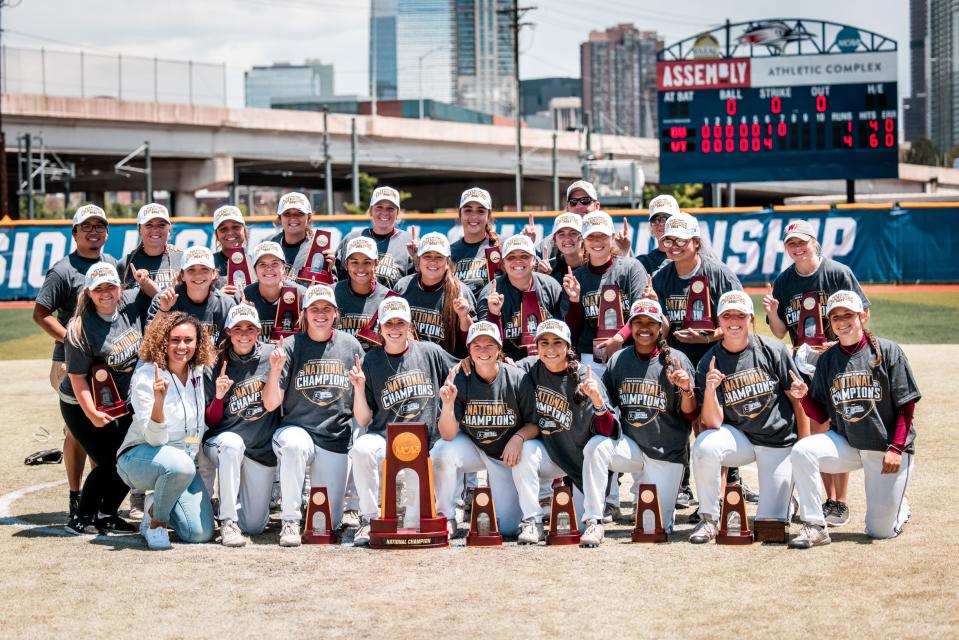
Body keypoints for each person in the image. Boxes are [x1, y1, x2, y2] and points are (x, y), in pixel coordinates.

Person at [787, 291, 920, 549]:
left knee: (879, 531)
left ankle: (898, 507)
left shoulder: (888, 351)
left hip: (885, 447)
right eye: (835, 317)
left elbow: (906, 406)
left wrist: (896, 447)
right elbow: (822, 415)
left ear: (863, 316)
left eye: (848, 315)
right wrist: (804, 398)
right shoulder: (827, 359)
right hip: (848, 443)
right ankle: (815, 526)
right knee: (803, 450)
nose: (841, 321)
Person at [764, 219, 870, 526]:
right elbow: (782, 332)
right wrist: (772, 312)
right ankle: (826, 499)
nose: (797, 248)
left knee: (836, 430)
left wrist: (840, 344)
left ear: (814, 243)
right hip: (804, 364)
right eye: (791, 244)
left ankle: (840, 501)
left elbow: (862, 312)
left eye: (802, 242)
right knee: (814, 432)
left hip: (836, 361)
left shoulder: (837, 272)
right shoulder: (784, 281)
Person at [688, 291, 809, 544]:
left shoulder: (773, 350)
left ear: (750, 319)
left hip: (777, 441)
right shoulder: (708, 362)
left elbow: (798, 403)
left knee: (771, 522)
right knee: (705, 445)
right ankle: (709, 517)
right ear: (718, 322)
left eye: (740, 315)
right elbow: (712, 424)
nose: (734, 321)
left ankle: (787, 502)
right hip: (739, 438)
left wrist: (804, 448)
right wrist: (710, 390)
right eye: (727, 315)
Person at [583, 299, 696, 547]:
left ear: (660, 328)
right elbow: (609, 412)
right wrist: (596, 399)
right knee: (596, 446)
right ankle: (593, 520)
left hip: (666, 453)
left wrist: (686, 389)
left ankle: (651, 501)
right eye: (638, 322)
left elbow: (690, 417)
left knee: (654, 529)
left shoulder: (676, 360)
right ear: (631, 326)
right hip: (632, 449)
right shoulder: (619, 360)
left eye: (651, 323)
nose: (644, 328)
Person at [262, 284, 367, 547]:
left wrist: (360, 385)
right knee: (295, 446)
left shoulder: (350, 345)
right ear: (304, 313)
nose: (320, 314)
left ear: (335, 313)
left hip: (334, 437)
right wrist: (274, 371)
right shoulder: (290, 345)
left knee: (326, 525)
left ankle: (324, 506)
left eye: (326, 309)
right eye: (314, 309)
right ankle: (289, 519)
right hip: (297, 431)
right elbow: (272, 403)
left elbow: (362, 404)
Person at [349, 297, 458, 546]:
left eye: (400, 323)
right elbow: (364, 418)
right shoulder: (371, 361)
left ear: (409, 325)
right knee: (361, 448)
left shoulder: (430, 352)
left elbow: (459, 370)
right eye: (389, 323)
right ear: (381, 328)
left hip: (426, 442)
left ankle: (445, 515)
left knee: (413, 523)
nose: (395, 328)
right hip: (386, 439)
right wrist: (358, 388)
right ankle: (369, 519)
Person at [34, 204, 117, 520]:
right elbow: (40, 315)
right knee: (77, 431)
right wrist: (71, 339)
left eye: (100, 226)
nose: (94, 231)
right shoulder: (63, 270)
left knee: (103, 427)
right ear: (75, 233)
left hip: (104, 363)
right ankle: (75, 494)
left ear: (107, 232)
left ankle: (99, 498)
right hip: (70, 362)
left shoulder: (110, 263)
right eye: (87, 226)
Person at [117, 311, 216, 549]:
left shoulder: (198, 373)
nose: (182, 346)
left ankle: (155, 505)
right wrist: (158, 403)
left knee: (198, 533)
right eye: (175, 340)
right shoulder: (146, 375)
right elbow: (154, 438)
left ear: (198, 342)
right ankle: (156, 524)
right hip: (139, 459)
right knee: (180, 465)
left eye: (188, 340)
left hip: (182, 466)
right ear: (163, 341)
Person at [433, 322, 540, 540]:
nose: (483, 351)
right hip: (474, 446)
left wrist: (519, 438)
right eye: (477, 346)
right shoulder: (459, 377)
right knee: (441, 451)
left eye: (489, 345)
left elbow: (534, 423)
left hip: (507, 455)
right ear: (469, 350)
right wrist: (448, 404)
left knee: (507, 528)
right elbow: (448, 434)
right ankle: (446, 516)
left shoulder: (517, 377)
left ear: (500, 349)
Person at [514, 319, 614, 547]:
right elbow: (498, 367)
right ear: (536, 346)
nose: (550, 349)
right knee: (527, 448)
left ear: (568, 347)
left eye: (558, 343)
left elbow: (607, 430)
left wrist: (597, 400)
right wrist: (467, 363)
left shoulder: (584, 376)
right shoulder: (529, 368)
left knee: (596, 445)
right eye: (545, 343)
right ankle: (532, 521)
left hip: (583, 461)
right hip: (553, 454)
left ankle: (595, 522)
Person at [60, 262, 144, 535]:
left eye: (111, 286)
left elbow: (161, 300)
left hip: (119, 400)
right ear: (89, 292)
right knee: (109, 461)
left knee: (128, 456)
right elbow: (77, 378)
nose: (106, 293)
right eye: (99, 289)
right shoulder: (80, 328)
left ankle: (107, 514)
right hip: (80, 403)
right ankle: (81, 517)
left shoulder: (130, 303)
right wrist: (92, 413)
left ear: (120, 288)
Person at [203, 304, 280, 547]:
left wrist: (277, 369)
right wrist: (218, 397)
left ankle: (230, 506)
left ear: (259, 331)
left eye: (250, 328)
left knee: (254, 526)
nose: (244, 333)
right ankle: (227, 521)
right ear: (228, 331)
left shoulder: (272, 356)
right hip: (222, 444)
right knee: (233, 445)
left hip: (259, 449)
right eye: (238, 328)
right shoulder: (215, 362)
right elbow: (210, 421)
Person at [475, 234, 578, 361]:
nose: (518, 261)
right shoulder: (491, 293)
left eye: (524, 256)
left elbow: (568, 330)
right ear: (503, 263)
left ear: (534, 260)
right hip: (508, 364)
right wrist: (494, 314)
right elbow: (485, 342)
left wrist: (574, 301)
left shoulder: (550, 285)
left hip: (549, 361)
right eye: (511, 257)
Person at [571, 210, 648, 374]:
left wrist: (619, 338)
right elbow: (574, 329)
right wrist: (574, 301)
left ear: (612, 237)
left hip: (629, 350)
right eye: (591, 236)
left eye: (603, 236)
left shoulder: (631, 268)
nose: (597, 241)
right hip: (591, 356)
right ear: (582, 240)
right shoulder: (577, 277)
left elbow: (641, 312)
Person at [394, 232, 475, 357]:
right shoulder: (403, 286)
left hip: (447, 366)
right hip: (408, 361)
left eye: (439, 257)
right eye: (427, 256)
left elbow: (473, 343)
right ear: (418, 259)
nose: (433, 262)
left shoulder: (461, 292)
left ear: (447, 262)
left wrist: (464, 317)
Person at [147, 246, 236, 346]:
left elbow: (229, 348)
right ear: (182, 275)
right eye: (191, 269)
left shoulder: (227, 305)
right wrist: (163, 310)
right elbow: (149, 341)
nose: (198, 275)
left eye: (204, 269)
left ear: (214, 274)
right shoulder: (164, 299)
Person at [335, 186, 415, 289]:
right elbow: (337, 276)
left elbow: (417, 283)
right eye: (379, 207)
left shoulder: (408, 241)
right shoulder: (352, 238)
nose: (384, 212)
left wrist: (418, 261)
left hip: (393, 303)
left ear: (397, 212)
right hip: (355, 303)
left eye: (390, 208)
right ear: (371, 210)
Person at [117, 203, 182, 324]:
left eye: (161, 225)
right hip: (140, 335)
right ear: (139, 229)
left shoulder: (181, 259)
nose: (155, 230)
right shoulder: (125, 264)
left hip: (175, 334)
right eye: (149, 225)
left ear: (169, 229)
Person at [333, 236, 395, 349]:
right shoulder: (331, 293)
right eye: (354, 262)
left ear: (376, 264)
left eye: (366, 262)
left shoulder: (389, 299)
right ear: (346, 265)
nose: (360, 269)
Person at [241, 241, 307, 342]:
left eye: (274, 263)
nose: (269, 269)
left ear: (284, 268)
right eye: (262, 264)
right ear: (255, 270)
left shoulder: (300, 294)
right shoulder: (246, 296)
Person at [449, 187, 500, 297]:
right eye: (468, 210)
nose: (473, 216)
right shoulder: (450, 252)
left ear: (488, 216)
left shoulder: (500, 246)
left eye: (480, 211)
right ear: (460, 214)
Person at [270, 191, 319, 281]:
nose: (293, 217)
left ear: (309, 217)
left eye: (300, 213)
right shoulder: (270, 247)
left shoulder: (318, 249)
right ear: (280, 218)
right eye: (287, 213)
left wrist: (329, 271)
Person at [211, 205, 252, 295]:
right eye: (223, 229)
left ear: (244, 230)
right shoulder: (208, 264)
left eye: (236, 227)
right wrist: (218, 297)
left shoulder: (256, 262)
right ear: (217, 235)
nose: (230, 233)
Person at [639, 194, 677, 274]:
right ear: (651, 227)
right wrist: (624, 251)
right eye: (656, 219)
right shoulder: (642, 263)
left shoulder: (694, 258)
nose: (661, 223)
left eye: (667, 218)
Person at [544, 213, 585, 284]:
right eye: (561, 234)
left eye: (573, 233)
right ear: (554, 239)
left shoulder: (596, 264)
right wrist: (540, 279)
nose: (567, 238)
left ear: (583, 237)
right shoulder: (548, 269)